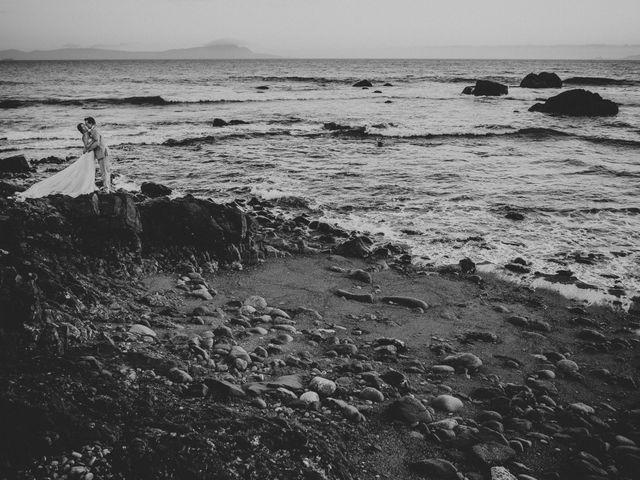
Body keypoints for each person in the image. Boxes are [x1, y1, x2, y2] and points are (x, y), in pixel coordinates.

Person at [17, 124, 97, 199]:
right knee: (87, 169)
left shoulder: (88, 134)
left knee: (87, 170)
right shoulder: (85, 135)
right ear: (82, 129)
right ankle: (85, 185)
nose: (85, 127)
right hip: (88, 154)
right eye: (83, 126)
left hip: (89, 154)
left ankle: (88, 184)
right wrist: (94, 141)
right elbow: (86, 146)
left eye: (84, 125)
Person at [83, 116, 112, 192]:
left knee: (104, 172)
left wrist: (88, 149)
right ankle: (107, 187)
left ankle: (106, 189)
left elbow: (97, 142)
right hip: (103, 152)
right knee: (105, 171)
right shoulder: (95, 129)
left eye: (87, 124)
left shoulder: (94, 130)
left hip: (102, 152)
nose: (86, 126)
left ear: (91, 123)